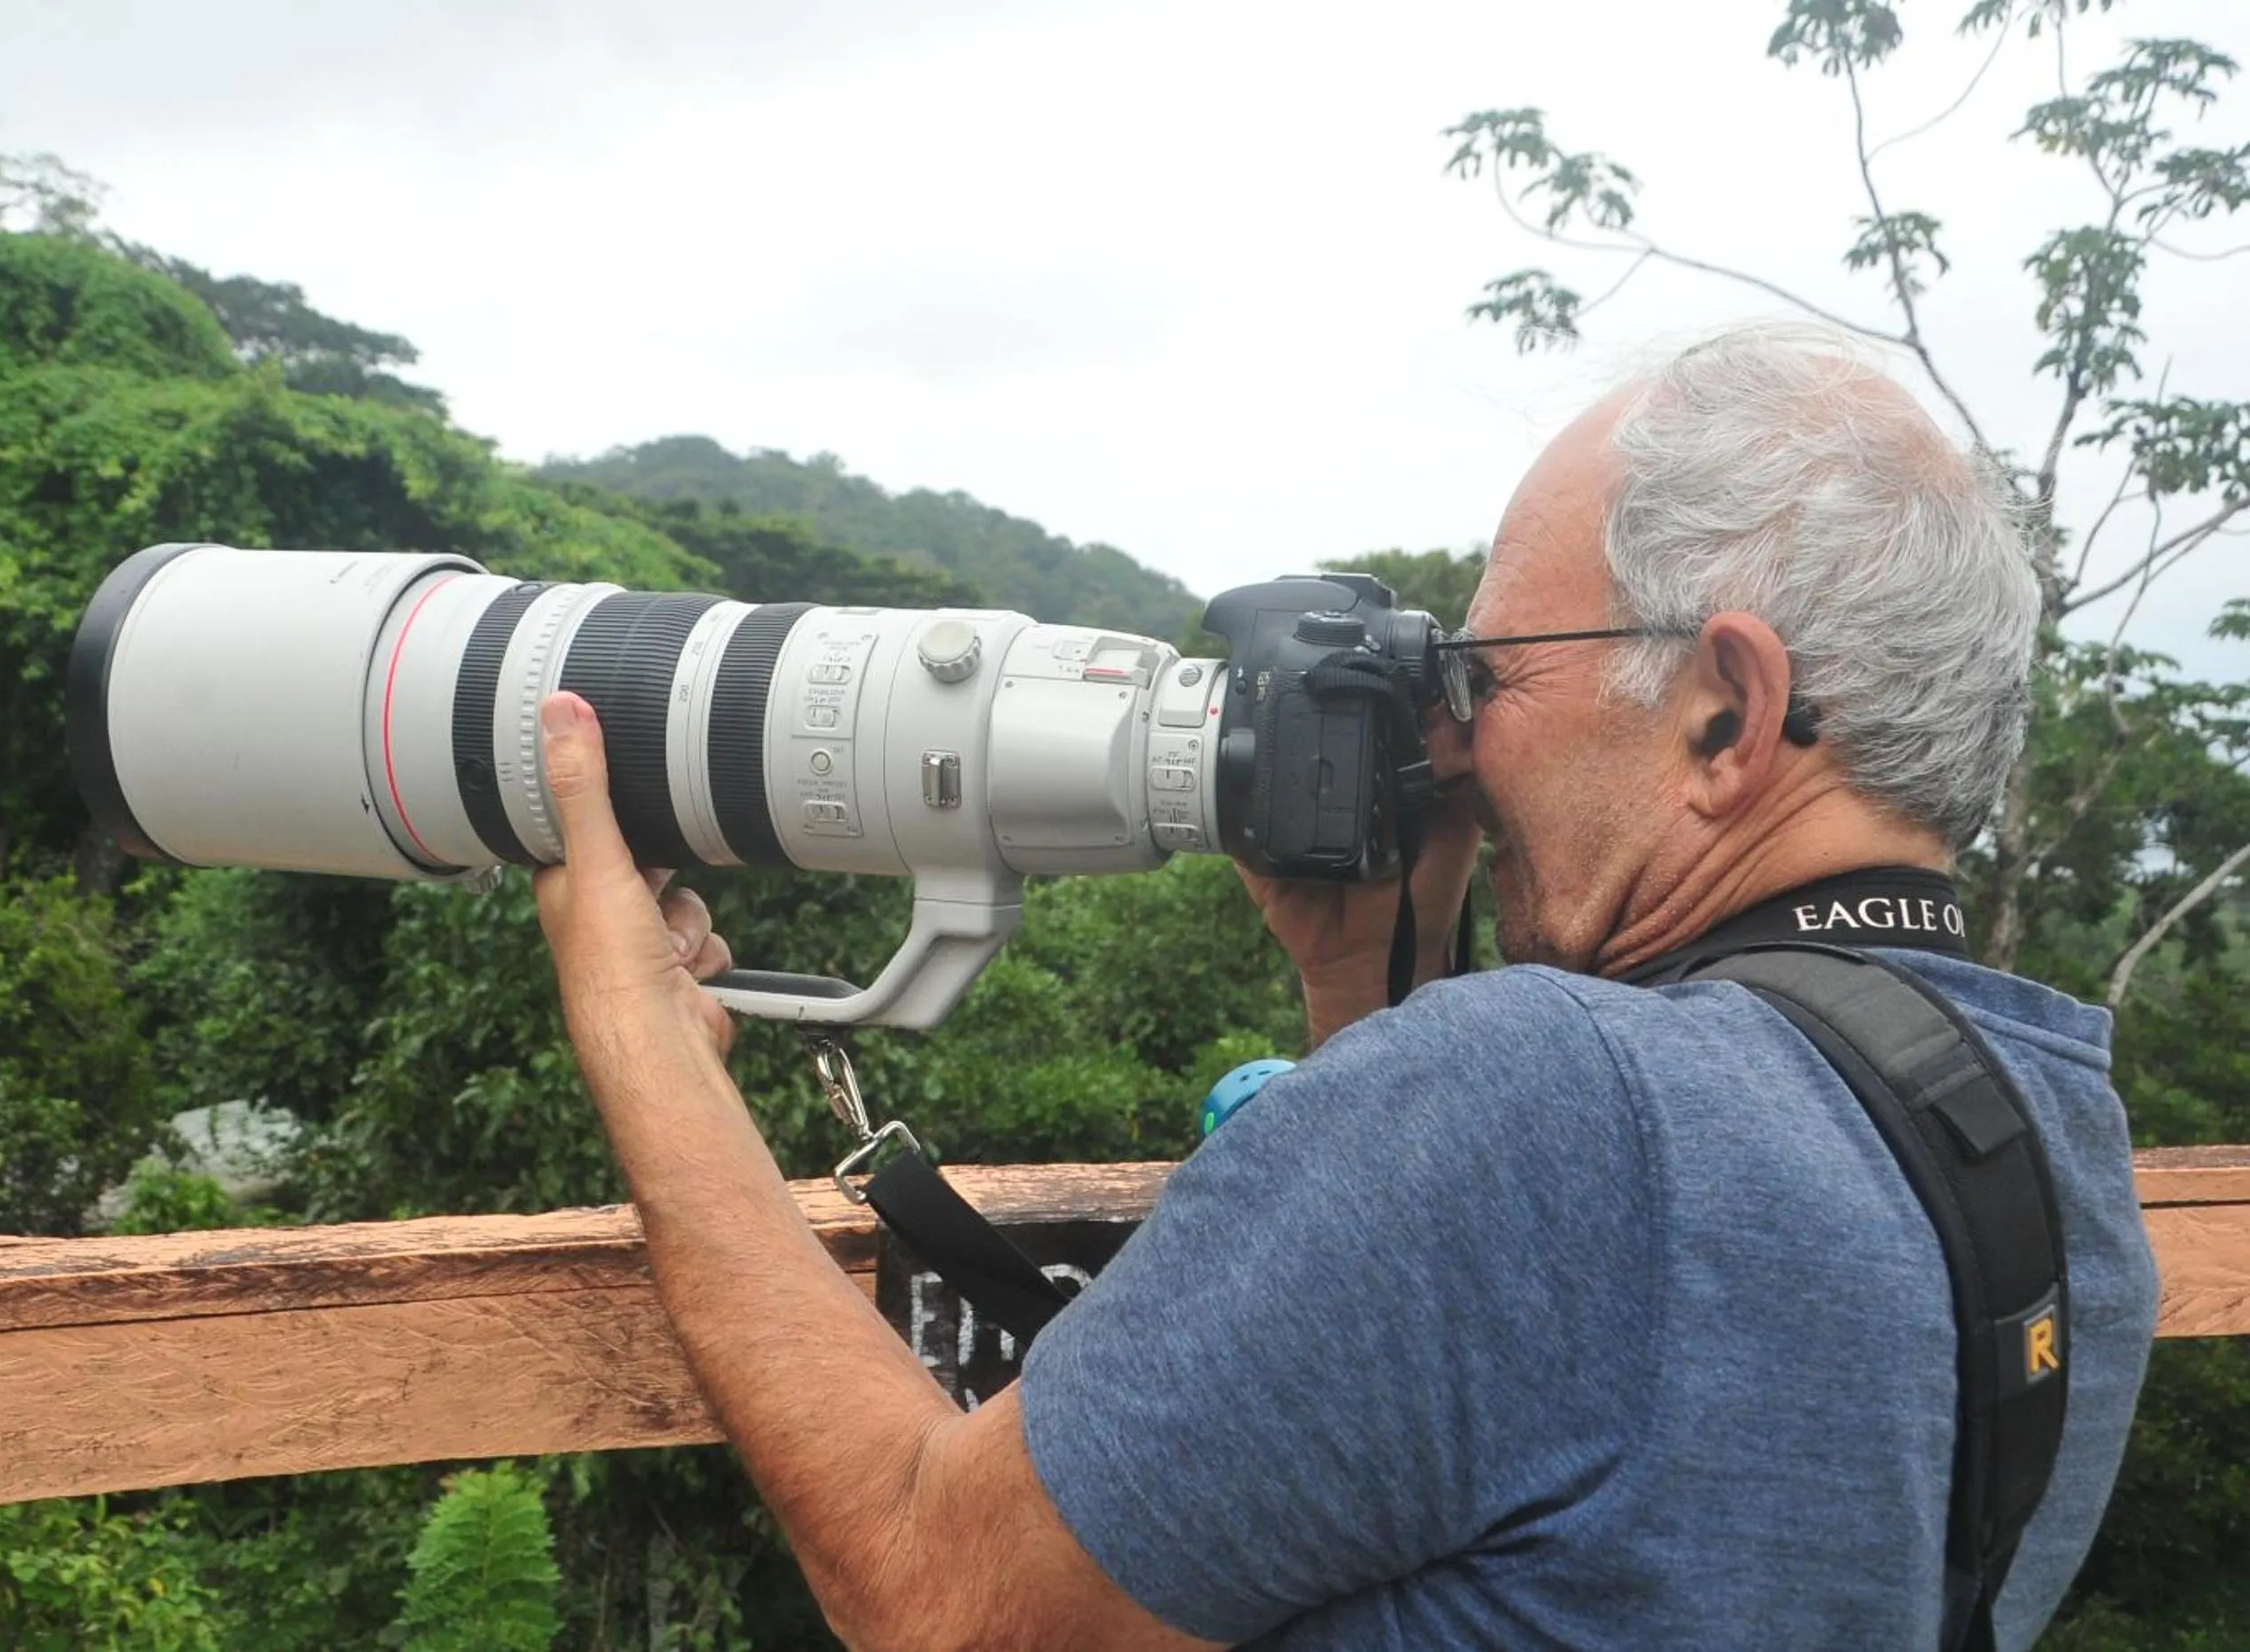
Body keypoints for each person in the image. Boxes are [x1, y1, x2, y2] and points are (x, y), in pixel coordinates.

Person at [528, 323, 2161, 1650]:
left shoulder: (1552, 1101)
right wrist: (1364, 983)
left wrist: (645, 1043)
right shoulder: (2045, 1134)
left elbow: (938, 1591)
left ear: (1727, 712)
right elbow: (1564, 1492)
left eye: (1491, 669)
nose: (1447, 739)